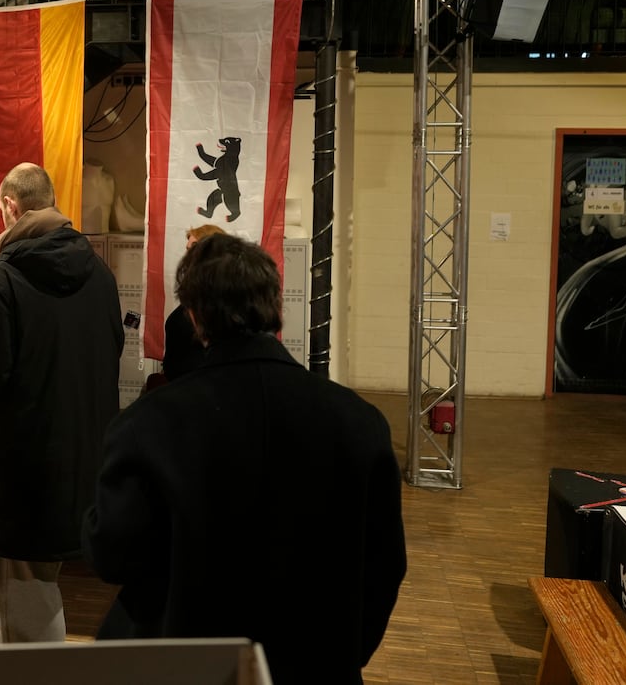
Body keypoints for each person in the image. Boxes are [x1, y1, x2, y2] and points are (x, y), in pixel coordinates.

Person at [83, 233, 407, 685]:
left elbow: (112, 557)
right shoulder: (360, 422)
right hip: (316, 665)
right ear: (276, 305)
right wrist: (344, 654)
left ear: (194, 316)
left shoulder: (147, 425)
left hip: (181, 663)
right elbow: (385, 566)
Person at [0, 162, 124, 642]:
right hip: (83, 451)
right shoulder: (99, 272)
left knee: (24, 597)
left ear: (9, 207)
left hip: (21, 464)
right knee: (38, 586)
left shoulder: (4, 278)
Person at [158, 223, 226, 383]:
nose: (187, 257)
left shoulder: (220, 298)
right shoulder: (196, 293)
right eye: (187, 249)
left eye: (193, 249)